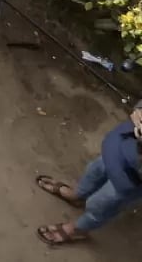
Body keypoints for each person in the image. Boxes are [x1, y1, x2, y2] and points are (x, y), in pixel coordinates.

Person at [34, 105, 142, 246]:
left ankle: (78, 229)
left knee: (103, 203)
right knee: (95, 170)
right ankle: (78, 195)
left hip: (134, 177)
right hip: (122, 145)